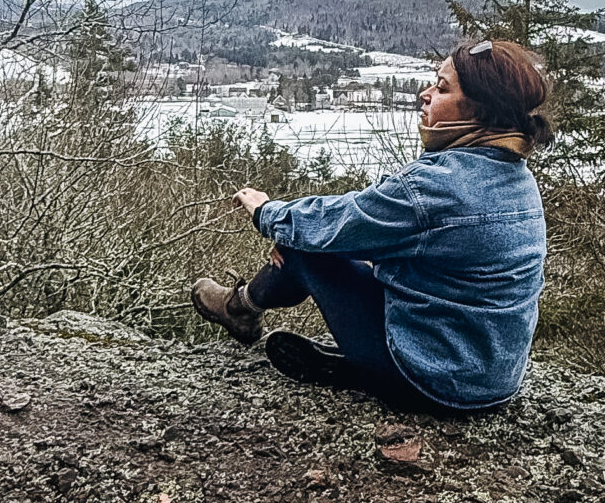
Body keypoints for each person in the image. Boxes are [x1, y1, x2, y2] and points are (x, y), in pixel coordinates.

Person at [190, 38, 550, 413]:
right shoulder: (517, 178)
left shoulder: (436, 186)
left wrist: (266, 212)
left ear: (481, 112)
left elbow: (337, 223)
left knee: (305, 243)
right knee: (342, 250)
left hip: (432, 383)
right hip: (493, 383)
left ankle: (240, 309)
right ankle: (359, 365)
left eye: (442, 89)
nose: (425, 95)